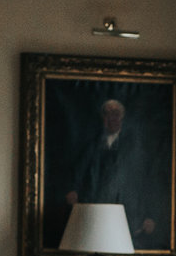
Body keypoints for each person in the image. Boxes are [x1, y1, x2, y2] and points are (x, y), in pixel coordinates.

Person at [59, 92, 167, 247]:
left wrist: (150, 215)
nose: (111, 118)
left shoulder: (136, 147)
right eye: (107, 114)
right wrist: (72, 190)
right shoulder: (92, 145)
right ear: (103, 118)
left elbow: (148, 182)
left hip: (128, 211)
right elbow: (78, 172)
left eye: (115, 114)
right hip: (94, 210)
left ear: (122, 118)